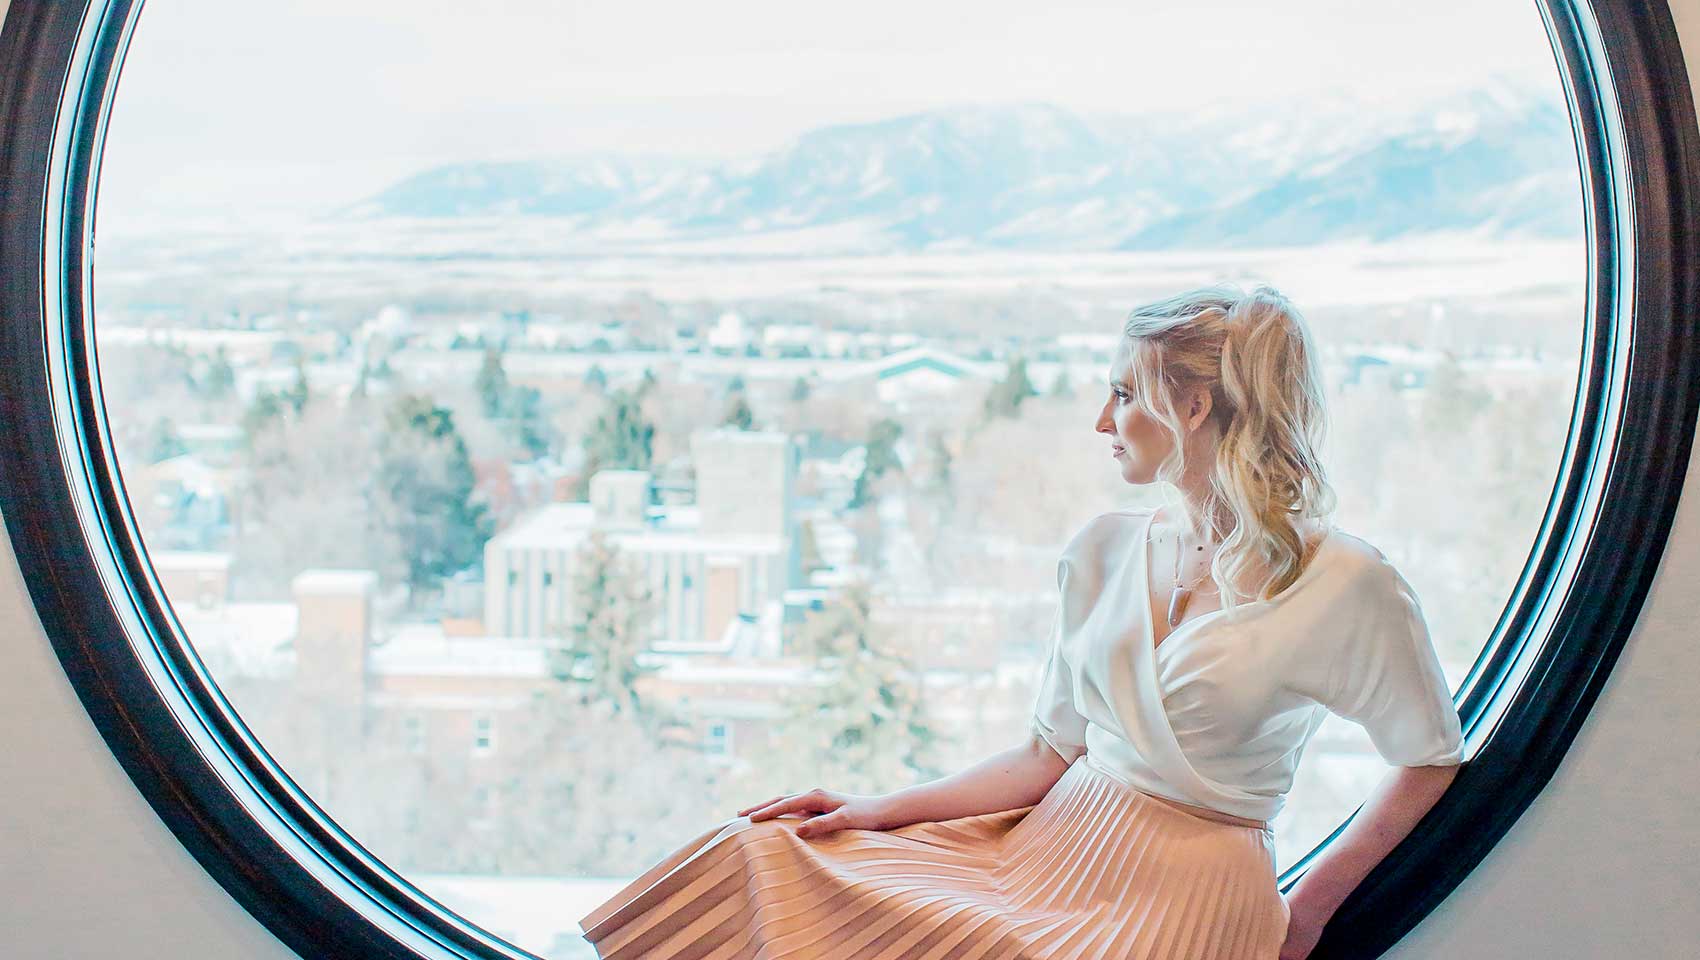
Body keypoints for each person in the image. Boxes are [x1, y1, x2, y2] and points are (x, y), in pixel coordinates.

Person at [577, 284, 1465, 960]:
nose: (1101, 420)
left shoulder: (1345, 583)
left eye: (1124, 393)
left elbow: (1426, 760)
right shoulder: (1104, 551)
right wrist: (877, 810)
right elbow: (1047, 756)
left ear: (1193, 409)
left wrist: (1304, 916)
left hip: (1189, 897)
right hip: (1046, 855)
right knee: (761, 853)